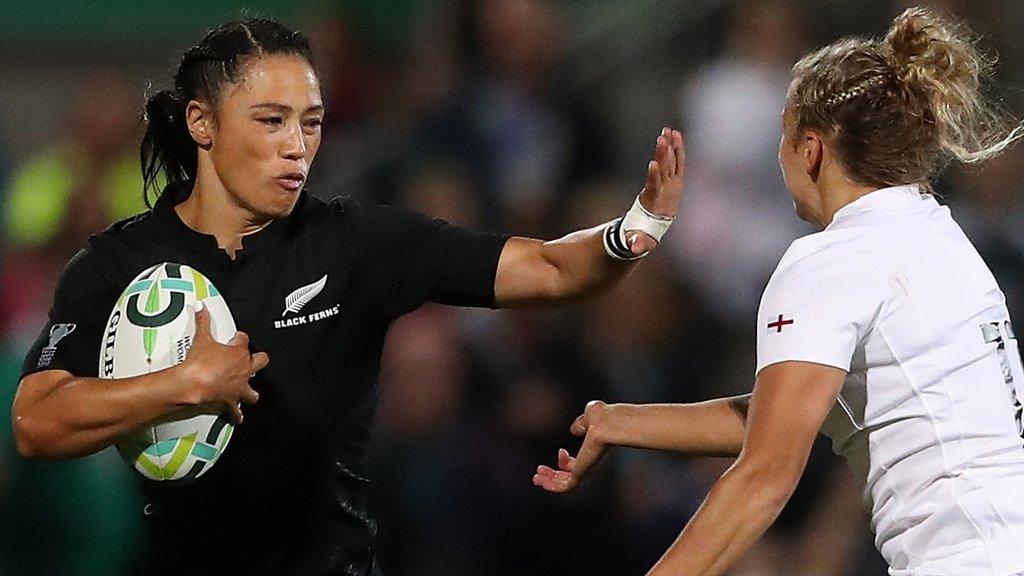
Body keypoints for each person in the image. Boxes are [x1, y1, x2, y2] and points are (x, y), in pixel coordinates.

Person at [9, 18, 685, 576]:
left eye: (311, 122)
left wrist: (635, 229)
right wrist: (184, 382)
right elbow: (36, 423)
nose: (296, 147)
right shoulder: (115, 262)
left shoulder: (358, 244)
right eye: (271, 121)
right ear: (202, 123)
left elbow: (549, 269)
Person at [535, 7, 1024, 576]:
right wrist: (619, 421)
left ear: (812, 149)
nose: (779, 154)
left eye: (784, 135)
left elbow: (764, 476)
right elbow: (782, 415)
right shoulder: (938, 236)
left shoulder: (830, 262)